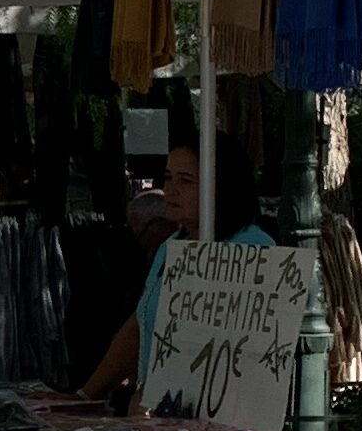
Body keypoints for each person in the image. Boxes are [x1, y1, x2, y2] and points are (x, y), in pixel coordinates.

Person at [82, 129, 265, 411]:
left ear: (220, 185)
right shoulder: (171, 246)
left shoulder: (253, 248)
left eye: (186, 180)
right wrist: (84, 396)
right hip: (155, 421)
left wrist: (160, 394)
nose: (171, 190)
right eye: (168, 178)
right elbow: (139, 326)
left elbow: (233, 352)